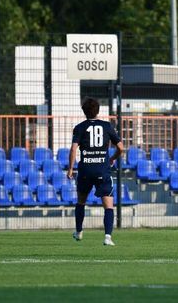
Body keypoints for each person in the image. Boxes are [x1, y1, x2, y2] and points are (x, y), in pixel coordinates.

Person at [67, 97, 124, 246]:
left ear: (84, 111)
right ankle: (107, 237)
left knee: (81, 201)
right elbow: (121, 148)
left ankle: (79, 231)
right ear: (98, 111)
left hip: (85, 170)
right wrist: (112, 158)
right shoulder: (107, 126)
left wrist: (71, 168)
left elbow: (73, 149)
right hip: (102, 169)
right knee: (108, 204)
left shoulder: (79, 127)